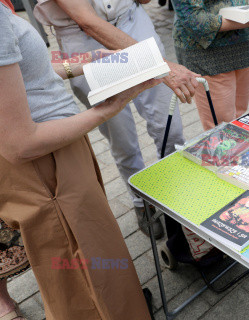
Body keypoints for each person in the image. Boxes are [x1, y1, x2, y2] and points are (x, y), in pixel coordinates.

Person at [0, 3, 161, 318]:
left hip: (54, 149)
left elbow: (24, 72)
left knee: (94, 255)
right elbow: (20, 144)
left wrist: (87, 61)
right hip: (45, 161)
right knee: (83, 271)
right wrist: (107, 109)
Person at [33, 0, 201, 239]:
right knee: (122, 137)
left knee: (169, 127)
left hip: (132, 22)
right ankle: (142, 202)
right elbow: (87, 21)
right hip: (83, 41)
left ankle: (177, 191)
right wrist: (161, 65)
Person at [172, 0, 249, 131]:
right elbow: (193, 18)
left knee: (240, 118)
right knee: (221, 128)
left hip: (244, 45)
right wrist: (248, 20)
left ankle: (238, 149)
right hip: (209, 54)